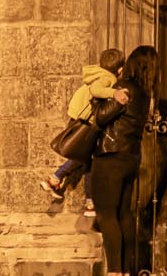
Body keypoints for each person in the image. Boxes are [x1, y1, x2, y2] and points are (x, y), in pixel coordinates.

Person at [84, 45, 156, 276]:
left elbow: (101, 117)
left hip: (110, 156)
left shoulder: (125, 87)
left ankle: (114, 272)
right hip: (130, 158)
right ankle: (125, 274)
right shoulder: (145, 93)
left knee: (106, 214)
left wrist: (98, 97)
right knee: (124, 213)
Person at [45, 47, 125, 201]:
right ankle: (56, 178)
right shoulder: (107, 78)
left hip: (78, 117)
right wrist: (114, 93)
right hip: (86, 122)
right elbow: (96, 90)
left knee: (87, 159)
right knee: (83, 156)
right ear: (120, 69)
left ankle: (86, 198)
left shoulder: (99, 73)